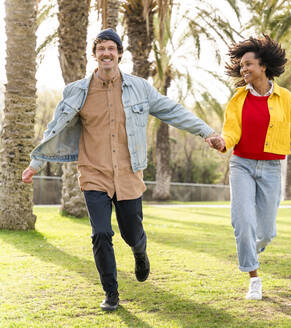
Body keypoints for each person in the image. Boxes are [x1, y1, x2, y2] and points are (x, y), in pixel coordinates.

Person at [21, 29, 223, 311]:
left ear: (119, 54)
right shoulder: (77, 90)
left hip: (129, 173)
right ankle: (111, 293)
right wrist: (35, 164)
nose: (106, 53)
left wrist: (207, 132)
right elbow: (54, 127)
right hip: (94, 173)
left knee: (131, 233)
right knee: (100, 233)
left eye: (111, 48)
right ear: (95, 55)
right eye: (101, 48)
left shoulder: (140, 88)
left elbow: (172, 110)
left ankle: (140, 252)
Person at [215, 35, 291, 300]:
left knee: (266, 232)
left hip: (272, 168)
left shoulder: (285, 99)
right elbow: (231, 132)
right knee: (242, 221)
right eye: (241, 65)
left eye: (248, 64)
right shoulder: (238, 99)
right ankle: (253, 278)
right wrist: (222, 142)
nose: (244, 69)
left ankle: (251, 248)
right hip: (241, 165)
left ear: (263, 66)